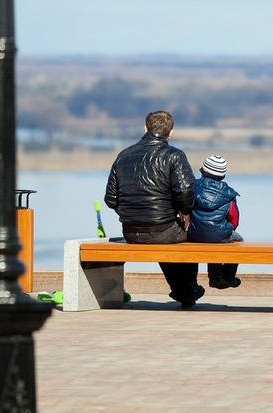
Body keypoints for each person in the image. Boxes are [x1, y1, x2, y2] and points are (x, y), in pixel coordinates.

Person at [103, 110, 203, 308]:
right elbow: (185, 193)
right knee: (186, 233)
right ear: (171, 132)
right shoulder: (174, 156)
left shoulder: (123, 156)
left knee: (166, 234)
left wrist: (132, 213)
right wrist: (184, 212)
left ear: (145, 127)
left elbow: (110, 199)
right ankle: (187, 290)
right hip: (162, 230)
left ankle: (185, 291)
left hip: (130, 231)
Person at [188, 154, 242, 289]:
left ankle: (215, 277)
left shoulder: (192, 187)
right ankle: (227, 276)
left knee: (211, 236)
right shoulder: (228, 194)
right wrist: (229, 228)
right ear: (223, 175)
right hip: (219, 234)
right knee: (237, 240)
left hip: (193, 234)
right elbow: (234, 219)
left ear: (203, 171)